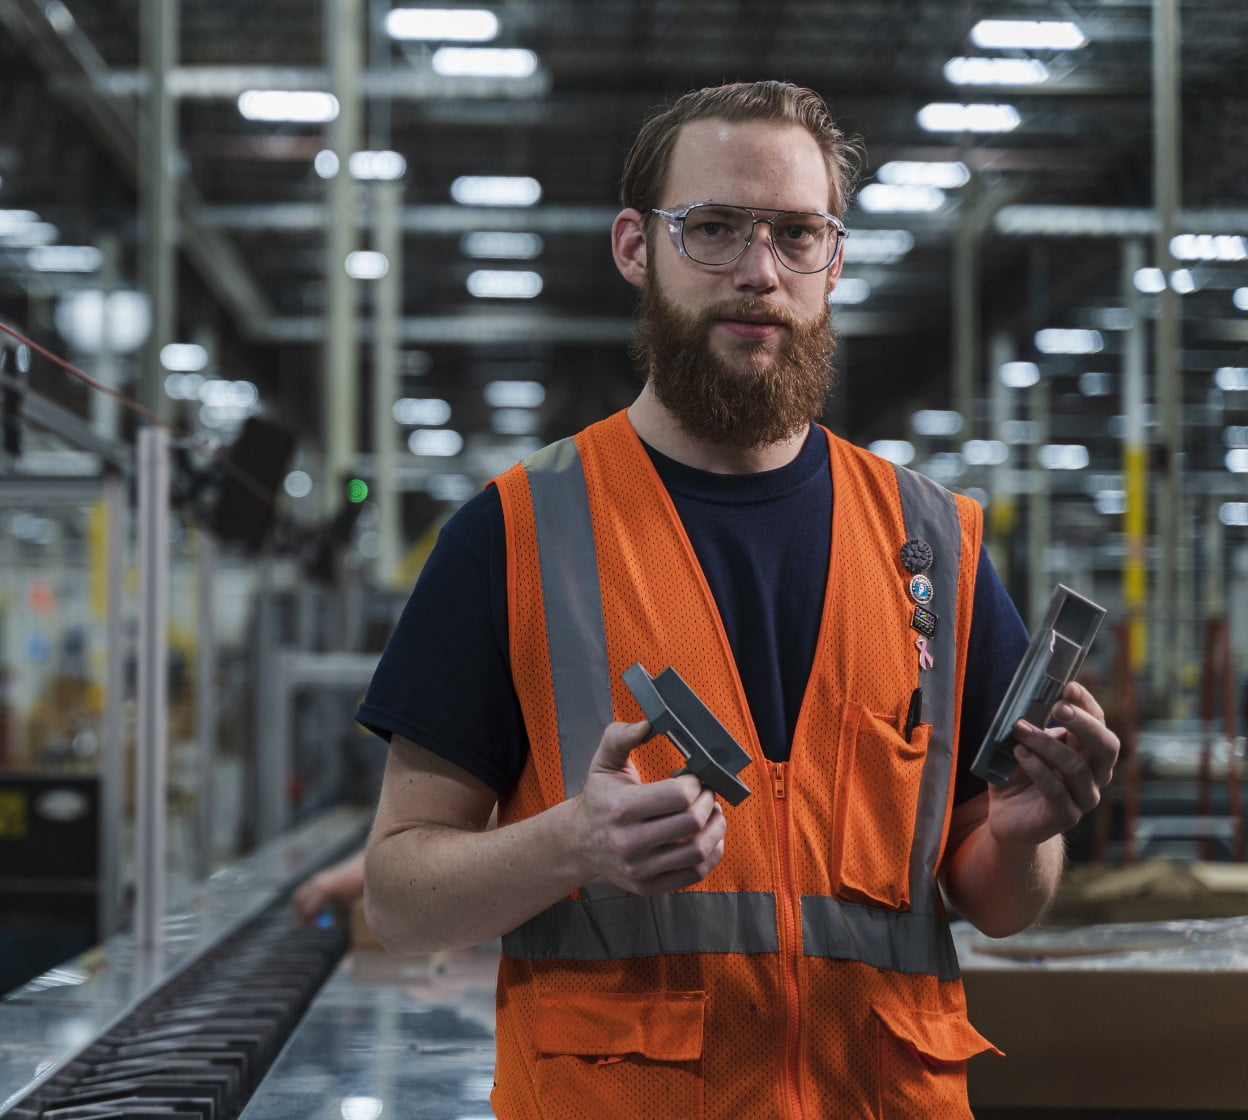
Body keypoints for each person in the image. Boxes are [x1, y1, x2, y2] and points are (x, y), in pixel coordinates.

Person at [358, 80, 1120, 1119]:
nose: (760, 272)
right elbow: (399, 898)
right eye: (713, 228)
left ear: (834, 261)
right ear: (637, 247)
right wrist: (573, 844)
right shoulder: (516, 536)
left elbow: (995, 899)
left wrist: (1027, 834)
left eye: (797, 234)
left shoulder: (935, 545)